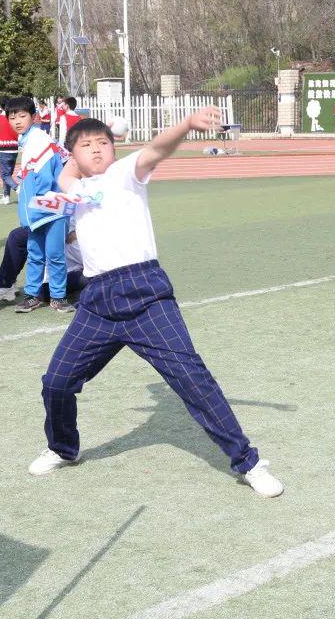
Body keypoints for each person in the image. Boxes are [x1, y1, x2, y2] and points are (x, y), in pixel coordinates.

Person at [28, 108, 284, 498]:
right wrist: (69, 168)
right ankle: (63, 448)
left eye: (103, 144)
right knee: (57, 382)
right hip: (97, 300)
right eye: (86, 146)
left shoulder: (127, 172)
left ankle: (249, 462)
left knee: (194, 381)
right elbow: (65, 178)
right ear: (73, 155)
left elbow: (156, 150)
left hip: (145, 292)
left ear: (114, 150)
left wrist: (184, 126)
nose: (96, 150)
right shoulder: (73, 189)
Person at [8, 96, 71, 313]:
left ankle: (58, 297)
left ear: (34, 117)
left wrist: (33, 204)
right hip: (38, 210)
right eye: (12, 117)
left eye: (22, 116)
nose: (17, 121)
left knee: (54, 254)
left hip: (50, 208)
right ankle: (33, 295)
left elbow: (44, 179)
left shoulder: (39, 140)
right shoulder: (29, 140)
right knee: (35, 253)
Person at [0, 223, 87, 303]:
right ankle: (5, 284)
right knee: (18, 236)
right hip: (62, 226)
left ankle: (88, 286)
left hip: (86, 251)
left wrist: (80, 231)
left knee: (94, 276)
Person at [0, 97, 19, 204]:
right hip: (15, 149)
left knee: (4, 175)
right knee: (8, 174)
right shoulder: (14, 118)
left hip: (4, 149)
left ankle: (18, 188)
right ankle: (6, 197)